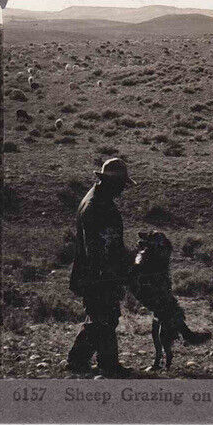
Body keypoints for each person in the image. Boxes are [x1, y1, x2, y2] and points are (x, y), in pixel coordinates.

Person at [67, 157, 137, 377]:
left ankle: (97, 362)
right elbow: (95, 249)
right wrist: (110, 275)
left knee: (103, 318)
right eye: (120, 185)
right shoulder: (95, 206)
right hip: (97, 274)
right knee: (102, 318)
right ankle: (93, 362)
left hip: (99, 273)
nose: (122, 191)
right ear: (110, 182)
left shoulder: (99, 201)